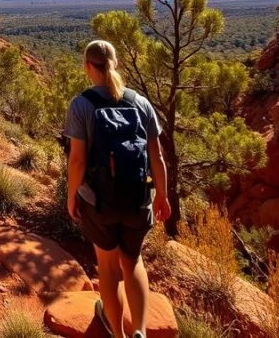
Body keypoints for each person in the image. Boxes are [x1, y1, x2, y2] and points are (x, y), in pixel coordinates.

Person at [64, 40, 170, 338]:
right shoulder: (140, 103)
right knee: (133, 260)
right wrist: (161, 195)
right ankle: (140, 331)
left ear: (88, 67)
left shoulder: (81, 105)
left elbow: (77, 161)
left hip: (99, 203)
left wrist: (71, 196)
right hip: (138, 200)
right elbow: (157, 157)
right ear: (116, 63)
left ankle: (117, 333)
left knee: (108, 268)